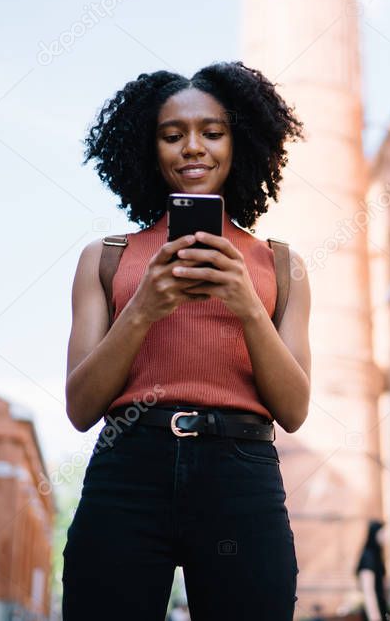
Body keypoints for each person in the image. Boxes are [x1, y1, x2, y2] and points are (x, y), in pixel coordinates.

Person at [61, 61, 311, 620]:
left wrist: (247, 305)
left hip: (240, 472)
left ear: (239, 143)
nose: (192, 148)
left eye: (212, 133)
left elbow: (293, 410)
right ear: (149, 150)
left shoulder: (281, 265)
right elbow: (81, 408)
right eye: (172, 136)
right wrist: (145, 307)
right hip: (129, 468)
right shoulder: (106, 257)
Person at [355, 520, 390, 621]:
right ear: (375, 534)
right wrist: (374, 616)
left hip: (381, 608)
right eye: (383, 533)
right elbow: (368, 590)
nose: (385, 536)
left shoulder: (377, 555)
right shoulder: (368, 556)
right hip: (374, 613)